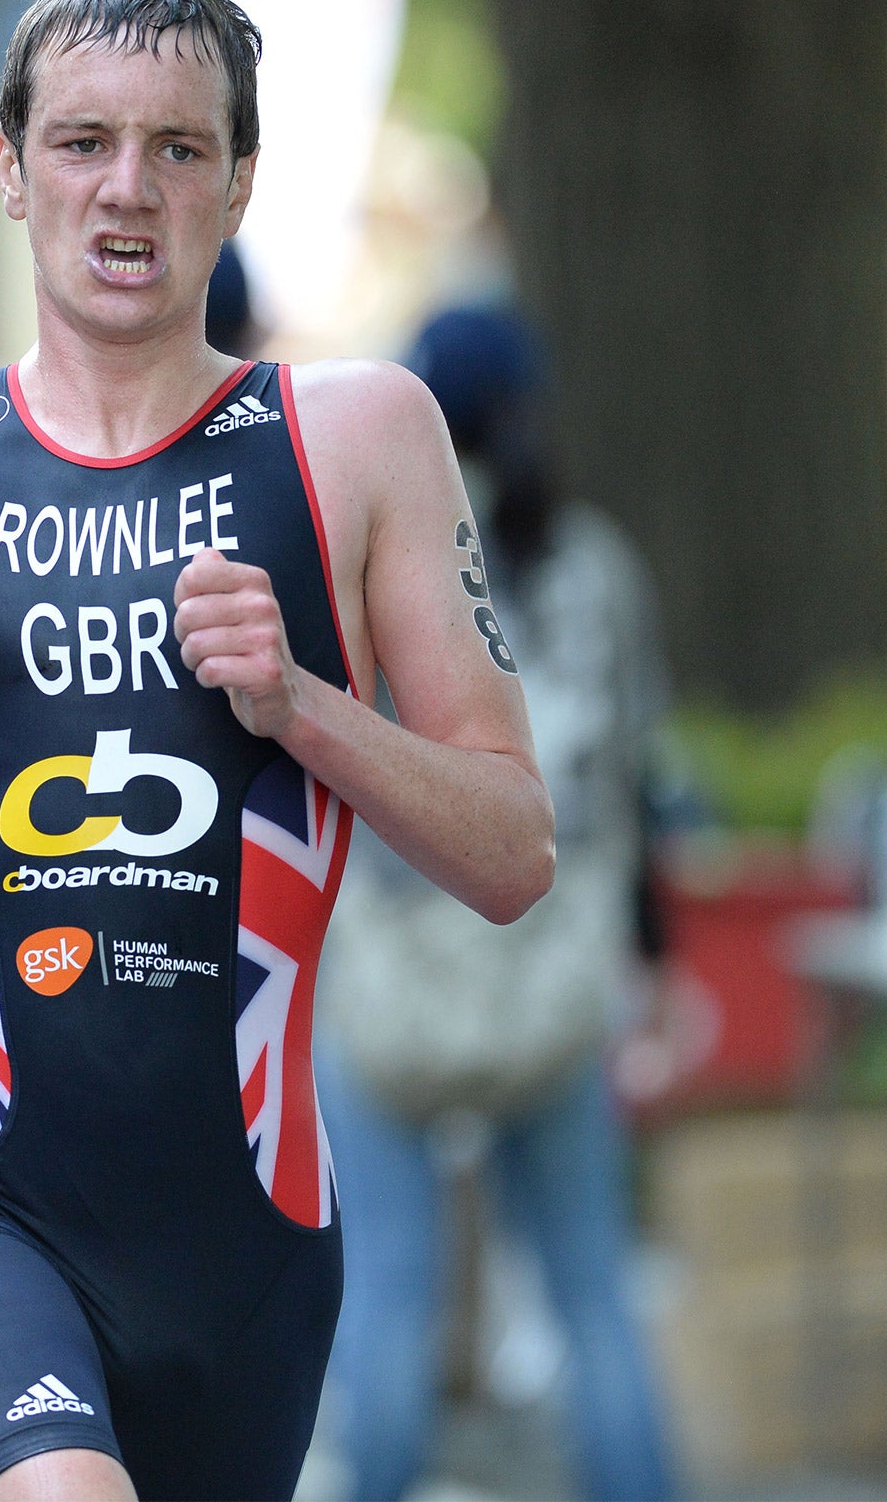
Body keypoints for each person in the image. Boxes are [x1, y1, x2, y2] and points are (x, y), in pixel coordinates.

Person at [0, 0, 556, 1499]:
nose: (128, 187)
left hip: (245, 1252)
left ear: (240, 182)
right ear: (12, 168)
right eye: (87, 140)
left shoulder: (355, 438)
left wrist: (301, 705)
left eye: (178, 148)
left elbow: (513, 852)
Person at [316, 304, 678, 1502]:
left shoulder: (374, 554)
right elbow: (635, 782)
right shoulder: (595, 568)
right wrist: (654, 965)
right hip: (553, 974)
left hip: (388, 977)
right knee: (589, 1292)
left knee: (386, 1293)